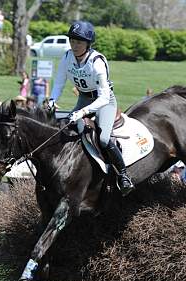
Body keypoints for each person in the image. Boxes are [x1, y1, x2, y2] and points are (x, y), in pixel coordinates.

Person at [49, 20, 133, 195]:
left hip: (104, 102)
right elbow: (59, 82)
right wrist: (51, 99)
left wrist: (82, 112)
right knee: (66, 128)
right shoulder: (67, 57)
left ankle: (124, 175)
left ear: (88, 44)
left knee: (103, 139)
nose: (75, 45)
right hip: (84, 98)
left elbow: (103, 97)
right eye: (72, 41)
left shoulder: (97, 62)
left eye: (79, 42)